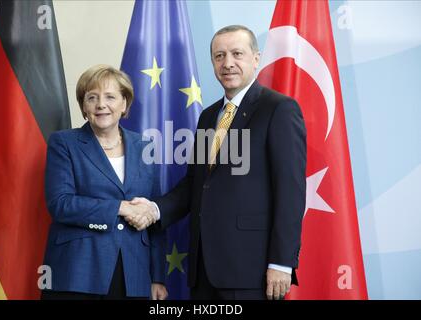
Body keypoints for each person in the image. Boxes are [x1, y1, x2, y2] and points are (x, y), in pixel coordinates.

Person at [122, 25, 306, 300]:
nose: (227, 63)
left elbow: (290, 192)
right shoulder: (208, 116)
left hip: (252, 270)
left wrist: (281, 262)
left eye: (237, 54)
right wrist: (155, 209)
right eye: (219, 56)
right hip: (204, 268)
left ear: (256, 59)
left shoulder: (278, 109)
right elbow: (195, 184)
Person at [41, 65, 167, 300]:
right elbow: (60, 204)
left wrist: (157, 276)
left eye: (110, 97)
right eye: (92, 98)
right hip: (78, 272)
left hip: (134, 275)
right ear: (84, 107)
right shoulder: (64, 143)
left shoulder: (145, 146)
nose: (101, 104)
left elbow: (153, 212)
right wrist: (120, 207)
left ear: (124, 104)